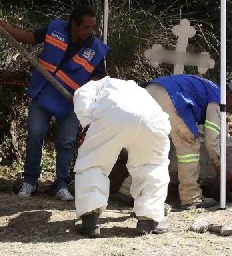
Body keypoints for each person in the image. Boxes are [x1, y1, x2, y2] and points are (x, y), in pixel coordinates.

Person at [0, 5, 109, 202]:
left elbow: (98, 79)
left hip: (71, 102)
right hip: (42, 92)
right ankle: (30, 181)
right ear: (74, 24)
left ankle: (62, 184)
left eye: (93, 27)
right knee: (35, 135)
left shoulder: (96, 50)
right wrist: (6, 28)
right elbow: (30, 38)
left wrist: (85, 96)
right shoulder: (55, 29)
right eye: (87, 27)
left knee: (66, 142)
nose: (91, 31)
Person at [118, 74, 232, 210]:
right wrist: (220, 167)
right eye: (231, 107)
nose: (228, 111)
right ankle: (191, 197)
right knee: (189, 146)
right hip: (172, 97)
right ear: (230, 96)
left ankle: (128, 190)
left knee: (151, 146)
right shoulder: (218, 97)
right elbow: (211, 141)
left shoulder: (206, 86)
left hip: (149, 92)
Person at [73, 77, 171, 237]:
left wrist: (91, 126)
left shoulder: (92, 86)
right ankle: (148, 219)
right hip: (153, 120)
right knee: (152, 165)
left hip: (113, 113)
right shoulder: (137, 90)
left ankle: (90, 218)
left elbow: (82, 102)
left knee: (93, 163)